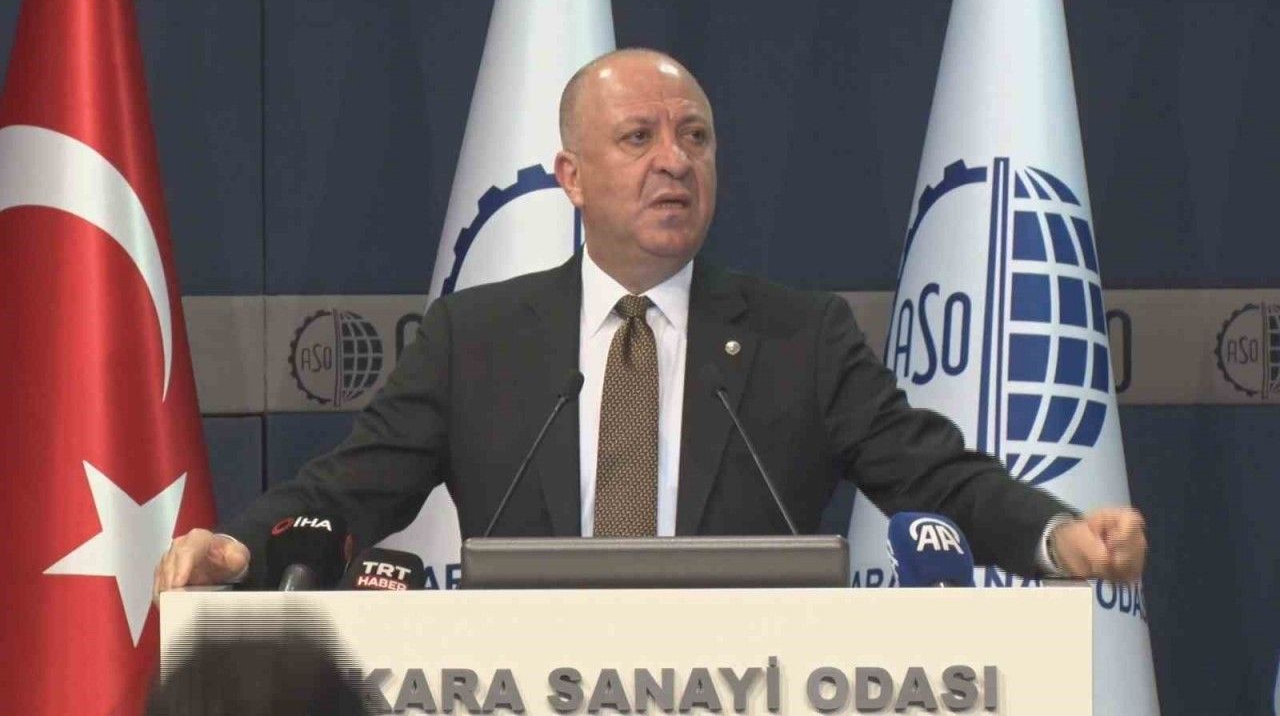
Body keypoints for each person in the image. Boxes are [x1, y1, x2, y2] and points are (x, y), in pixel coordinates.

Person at [154, 48, 1145, 594]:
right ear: (571, 177)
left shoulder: (799, 339)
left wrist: (1055, 535)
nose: (675, 160)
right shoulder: (476, 340)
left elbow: (932, 472)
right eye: (638, 137)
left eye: (695, 137)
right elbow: (348, 488)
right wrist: (239, 549)